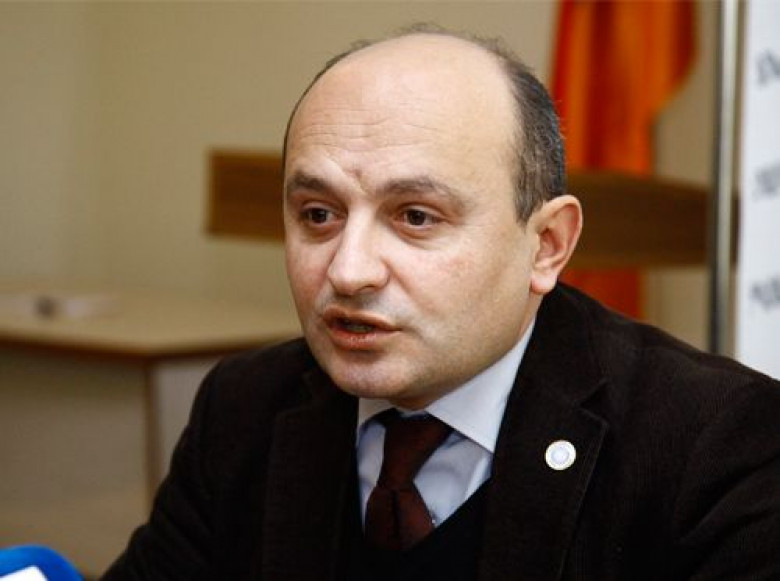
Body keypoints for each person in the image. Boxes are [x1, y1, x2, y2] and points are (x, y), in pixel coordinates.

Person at [102, 26, 780, 580]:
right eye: (318, 214)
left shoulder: (714, 443)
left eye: (416, 217)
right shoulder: (245, 407)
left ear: (546, 245)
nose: (349, 270)